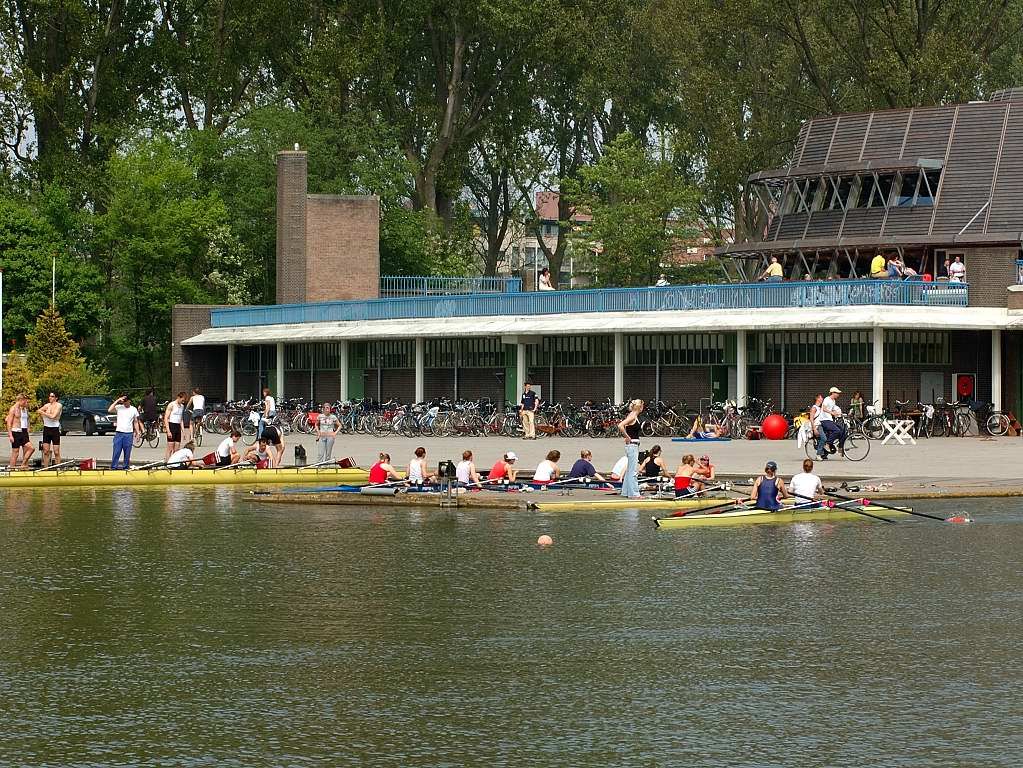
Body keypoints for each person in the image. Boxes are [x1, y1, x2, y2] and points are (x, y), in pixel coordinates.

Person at [618, 399, 644, 499]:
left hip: (632, 445)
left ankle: (625, 491)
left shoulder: (632, 415)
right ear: (639, 407)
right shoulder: (633, 416)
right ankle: (634, 493)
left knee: (629, 470)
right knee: (633, 471)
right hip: (632, 445)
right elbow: (620, 425)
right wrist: (627, 436)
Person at [108, 395, 141, 470]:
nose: (124, 403)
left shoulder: (133, 409)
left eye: (126, 402)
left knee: (127, 452)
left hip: (128, 433)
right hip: (119, 433)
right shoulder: (119, 407)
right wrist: (117, 400)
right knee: (116, 451)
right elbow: (109, 410)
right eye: (123, 402)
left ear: (129, 401)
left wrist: (138, 432)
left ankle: (125, 467)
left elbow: (136, 422)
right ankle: (114, 467)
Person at [6, 393, 33, 469]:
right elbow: (8, 422)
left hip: (24, 431)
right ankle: (11, 468)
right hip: (16, 431)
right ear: (21, 400)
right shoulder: (13, 409)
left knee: (30, 449)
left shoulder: (24, 409)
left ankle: (23, 465)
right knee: (16, 452)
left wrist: (28, 428)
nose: (26, 403)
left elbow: (27, 420)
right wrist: (10, 435)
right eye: (25, 401)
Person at [819, 386, 847, 458]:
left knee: (843, 431)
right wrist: (832, 413)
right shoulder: (827, 399)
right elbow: (824, 409)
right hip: (824, 420)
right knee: (836, 430)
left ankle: (840, 447)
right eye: (837, 393)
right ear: (833, 393)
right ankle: (827, 444)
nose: (838, 394)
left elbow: (835, 409)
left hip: (830, 420)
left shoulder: (833, 401)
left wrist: (841, 414)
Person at [37, 392, 63, 467]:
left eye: (52, 396)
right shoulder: (47, 405)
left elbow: (53, 416)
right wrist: (42, 416)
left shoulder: (59, 405)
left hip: (55, 429)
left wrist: (43, 413)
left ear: (56, 398)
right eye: (49, 396)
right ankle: (46, 467)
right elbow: (39, 411)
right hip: (47, 428)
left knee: (56, 451)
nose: (50, 398)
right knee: (45, 451)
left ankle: (58, 467)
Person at [164, 392, 186, 460]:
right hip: (171, 425)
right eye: (182, 400)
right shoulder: (172, 405)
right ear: (178, 397)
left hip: (177, 426)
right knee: (170, 447)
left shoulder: (182, 406)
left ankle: (174, 463)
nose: (183, 402)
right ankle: (167, 462)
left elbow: (181, 419)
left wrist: (183, 431)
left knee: (177, 448)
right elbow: (166, 418)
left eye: (184, 401)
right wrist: (168, 431)